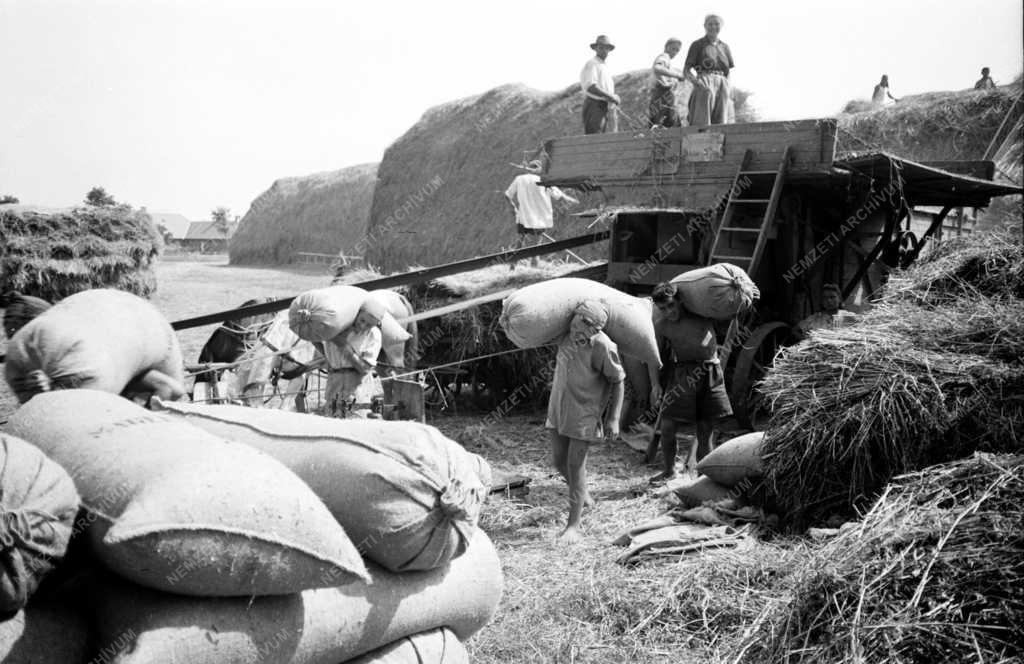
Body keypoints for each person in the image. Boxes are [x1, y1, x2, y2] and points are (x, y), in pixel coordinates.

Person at [546, 300, 626, 543]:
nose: (579, 329)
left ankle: (574, 526)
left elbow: (618, 380)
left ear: (596, 329)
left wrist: (613, 418)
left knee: (575, 466)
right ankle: (584, 497)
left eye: (587, 326)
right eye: (578, 321)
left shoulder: (603, 346)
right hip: (559, 408)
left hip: (584, 413)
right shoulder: (564, 335)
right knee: (558, 461)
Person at [649, 282, 733, 484]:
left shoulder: (702, 314)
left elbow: (728, 312)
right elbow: (653, 355)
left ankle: (705, 478)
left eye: (671, 305)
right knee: (668, 427)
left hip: (710, 371)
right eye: (663, 308)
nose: (669, 312)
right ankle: (669, 471)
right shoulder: (662, 325)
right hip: (683, 374)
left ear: (679, 301)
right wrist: (655, 385)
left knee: (705, 432)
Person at [504, 160, 579, 268]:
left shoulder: (519, 179)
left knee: (520, 243)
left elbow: (507, 195)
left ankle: (512, 267)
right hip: (539, 219)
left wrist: (513, 208)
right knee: (536, 245)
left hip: (523, 217)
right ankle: (534, 268)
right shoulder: (544, 181)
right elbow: (560, 196)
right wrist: (573, 201)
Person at [322, 298, 386, 418]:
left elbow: (364, 369)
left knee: (356, 426)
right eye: (362, 320)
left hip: (357, 389)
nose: (363, 326)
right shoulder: (336, 328)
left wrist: (344, 346)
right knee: (331, 428)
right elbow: (318, 341)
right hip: (334, 385)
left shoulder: (374, 334)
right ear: (357, 313)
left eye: (369, 325)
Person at [683, 14, 735, 126]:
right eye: (710, 24)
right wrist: (697, 83)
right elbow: (686, 70)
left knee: (721, 122)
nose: (713, 27)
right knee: (702, 121)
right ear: (704, 26)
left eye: (717, 24)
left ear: (721, 26)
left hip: (722, 83)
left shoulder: (725, 47)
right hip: (705, 80)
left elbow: (728, 71)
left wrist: (727, 86)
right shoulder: (697, 44)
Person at [580, 35, 620, 134]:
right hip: (594, 105)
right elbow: (591, 87)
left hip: (604, 105)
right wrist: (610, 96)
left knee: (602, 139)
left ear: (609, 50)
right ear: (596, 49)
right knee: (595, 139)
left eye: (606, 47)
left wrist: (613, 97)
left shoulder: (603, 66)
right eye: (601, 47)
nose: (603, 50)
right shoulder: (592, 63)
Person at [650, 38, 686, 128]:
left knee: (668, 123)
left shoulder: (668, 61)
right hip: (662, 94)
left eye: (677, 50)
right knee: (662, 124)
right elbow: (657, 68)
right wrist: (677, 75)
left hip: (665, 95)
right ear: (666, 47)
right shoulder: (664, 56)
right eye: (673, 49)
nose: (675, 52)